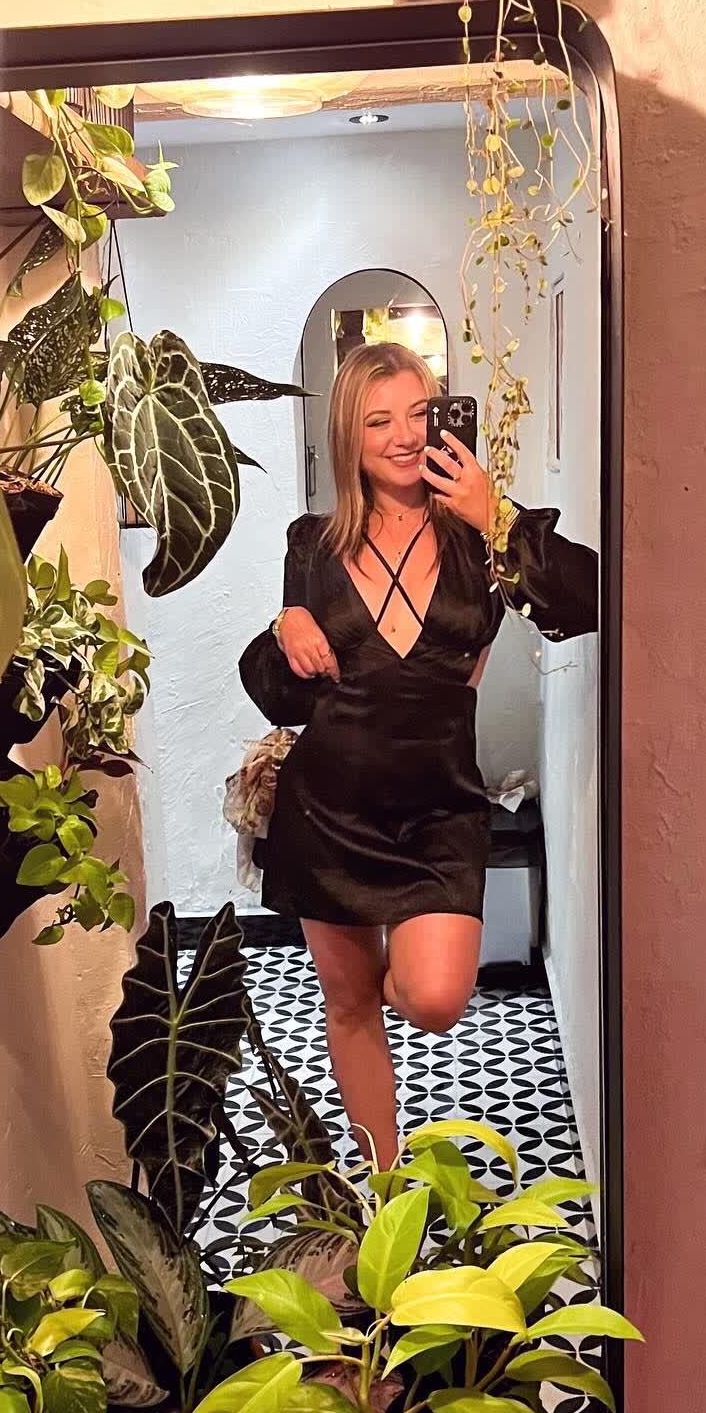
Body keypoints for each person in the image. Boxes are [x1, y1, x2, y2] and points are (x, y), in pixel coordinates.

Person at [239, 341, 598, 1169]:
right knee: (348, 1008)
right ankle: (383, 1190)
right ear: (348, 436)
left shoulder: (479, 539)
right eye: (378, 420)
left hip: (441, 803)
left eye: (418, 413)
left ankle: (388, 970)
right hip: (329, 807)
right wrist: (285, 627)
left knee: (435, 997)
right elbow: (284, 696)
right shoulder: (311, 545)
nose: (403, 436)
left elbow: (584, 598)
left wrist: (493, 510)